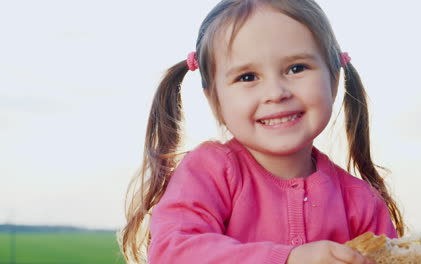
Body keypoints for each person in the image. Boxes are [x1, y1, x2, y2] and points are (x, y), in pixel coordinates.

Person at [120, 0, 405, 263]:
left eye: (296, 68)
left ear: (333, 79)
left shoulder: (361, 203)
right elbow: (174, 252)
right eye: (247, 77)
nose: (276, 92)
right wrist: (288, 258)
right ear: (215, 100)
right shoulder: (209, 173)